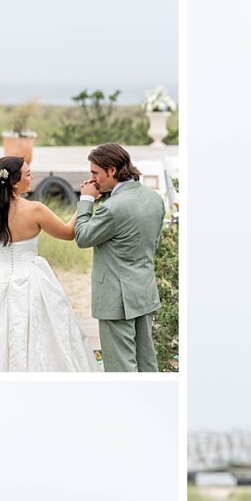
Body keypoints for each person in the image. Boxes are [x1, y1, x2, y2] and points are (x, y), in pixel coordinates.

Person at [0, 157, 99, 372]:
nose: (32, 178)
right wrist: (86, 200)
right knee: (38, 331)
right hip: (32, 279)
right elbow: (69, 233)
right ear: (14, 182)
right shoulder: (36, 210)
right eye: (28, 174)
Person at [75, 143, 166, 372]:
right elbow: (151, 243)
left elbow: (83, 237)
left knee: (121, 368)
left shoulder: (112, 208)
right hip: (143, 290)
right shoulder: (153, 199)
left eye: (95, 172)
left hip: (116, 299)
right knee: (146, 362)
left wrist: (86, 200)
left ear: (112, 170)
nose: (93, 179)